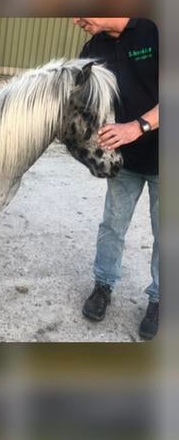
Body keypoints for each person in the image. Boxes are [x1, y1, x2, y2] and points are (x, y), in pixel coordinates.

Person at [73, 17, 159, 340]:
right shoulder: (93, 48)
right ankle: (103, 286)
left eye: (81, 13)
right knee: (112, 225)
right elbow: (84, 100)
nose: (76, 20)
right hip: (123, 158)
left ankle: (159, 299)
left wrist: (136, 127)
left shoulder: (154, 29)